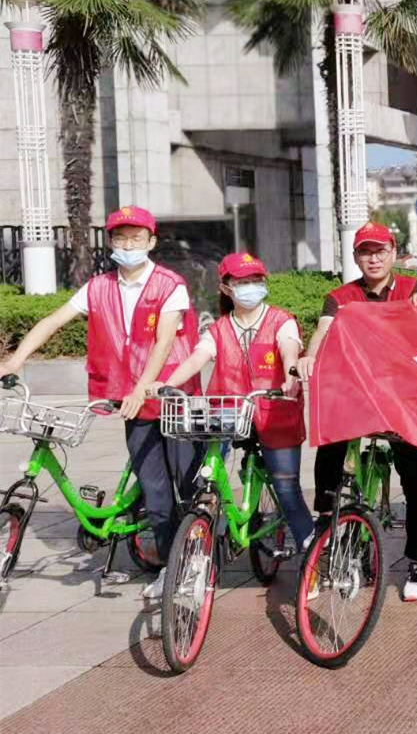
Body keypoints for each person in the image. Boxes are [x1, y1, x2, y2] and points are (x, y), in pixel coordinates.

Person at [0, 206, 198, 600]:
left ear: (151, 242)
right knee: (156, 490)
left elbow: (164, 341)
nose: (128, 245)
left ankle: (201, 554)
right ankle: (172, 568)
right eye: (120, 238)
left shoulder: (170, 285)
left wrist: (143, 387)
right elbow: (53, 321)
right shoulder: (97, 287)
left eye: (136, 238)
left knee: (188, 485)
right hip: (132, 402)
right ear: (110, 242)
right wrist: (14, 361)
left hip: (173, 398)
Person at [296, 221, 417, 601]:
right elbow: (324, 330)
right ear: (356, 257)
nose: (373, 259)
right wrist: (309, 356)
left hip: (402, 399)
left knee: (416, 481)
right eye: (365, 252)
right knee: (330, 442)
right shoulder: (340, 297)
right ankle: (325, 522)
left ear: (393, 253)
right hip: (358, 396)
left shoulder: (412, 289)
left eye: (380, 251)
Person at [158, 252, 314, 554]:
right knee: (206, 477)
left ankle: (311, 555)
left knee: (286, 487)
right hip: (230, 412)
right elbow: (197, 358)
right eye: (243, 281)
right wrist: (167, 384)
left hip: (275, 411)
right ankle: (201, 542)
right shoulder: (218, 329)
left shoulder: (281, 321)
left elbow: (289, 351)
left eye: (256, 279)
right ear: (226, 288)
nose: (251, 286)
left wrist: (290, 376)